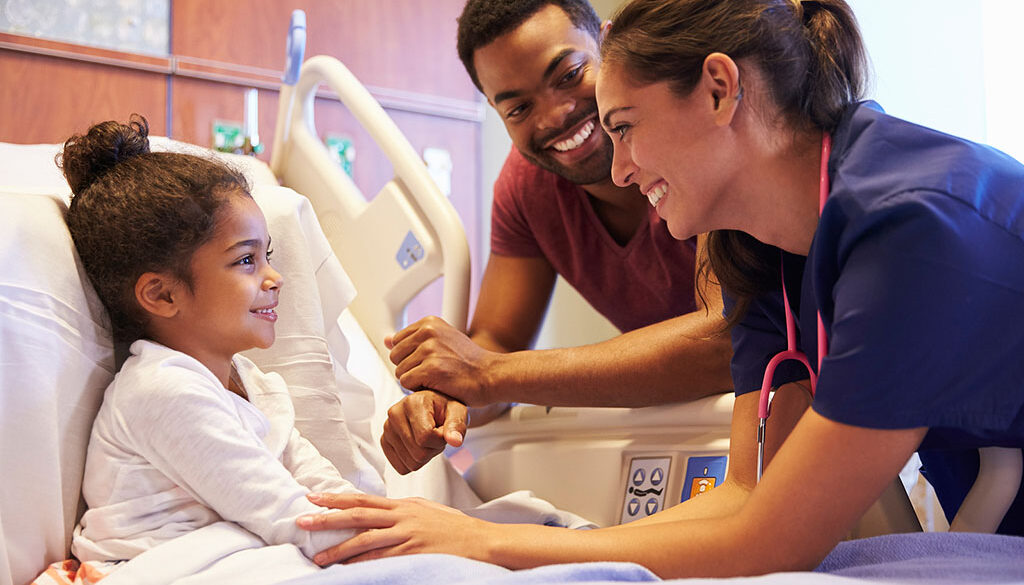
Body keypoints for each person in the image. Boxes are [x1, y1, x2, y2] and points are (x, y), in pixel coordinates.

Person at [297, 0, 1024, 576]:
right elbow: (746, 497)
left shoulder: (912, 230)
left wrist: (487, 545)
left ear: (718, 89)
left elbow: (771, 541)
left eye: (624, 126)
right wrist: (505, 542)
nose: (617, 171)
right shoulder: (767, 246)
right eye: (515, 105)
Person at [379, 0, 733, 475]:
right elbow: (496, 341)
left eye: (568, 75)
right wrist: (447, 398)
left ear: (609, 44)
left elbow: (726, 340)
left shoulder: (698, 133)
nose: (555, 115)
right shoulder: (527, 190)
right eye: (519, 107)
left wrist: (486, 375)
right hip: (692, 426)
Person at [58, 116, 362, 571]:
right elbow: (299, 521)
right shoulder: (161, 393)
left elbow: (326, 494)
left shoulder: (252, 384)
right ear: (163, 294)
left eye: (268, 256)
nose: (275, 278)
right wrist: (427, 541)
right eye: (246, 260)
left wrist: (402, 524)